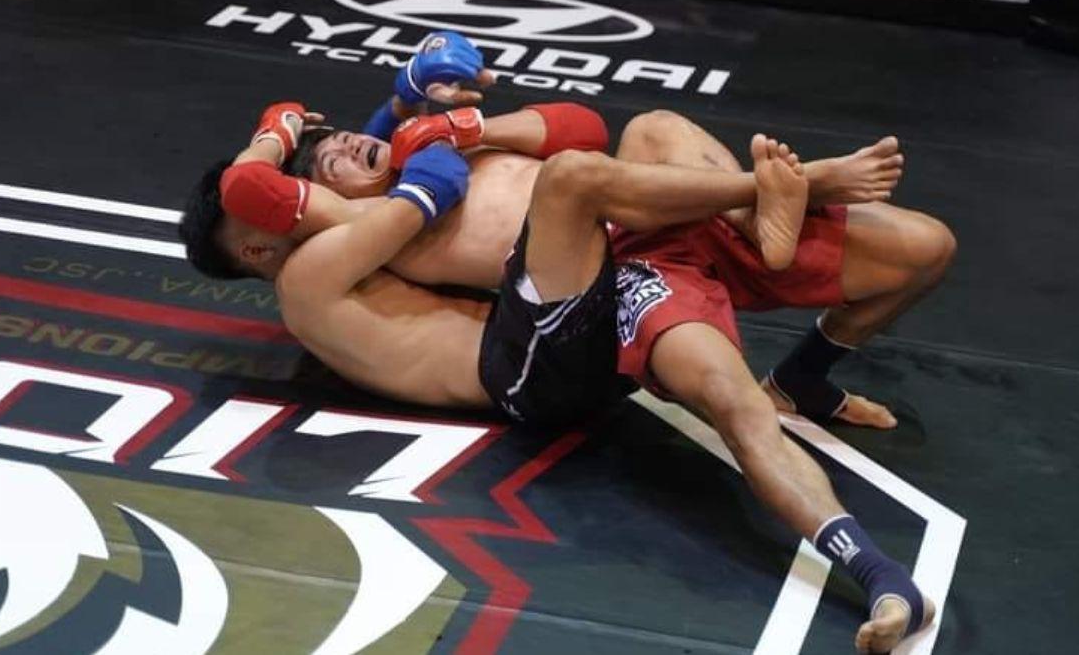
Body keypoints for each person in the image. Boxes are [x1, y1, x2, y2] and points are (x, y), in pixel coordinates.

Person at [180, 88, 938, 652]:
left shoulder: (378, 195)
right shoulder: (317, 264)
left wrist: (448, 121)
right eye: (315, 171)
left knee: (917, 242)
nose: (344, 151)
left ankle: (800, 363)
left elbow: (578, 125)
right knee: (583, 194)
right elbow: (280, 191)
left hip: (613, 257)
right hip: (533, 361)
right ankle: (878, 574)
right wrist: (292, 128)